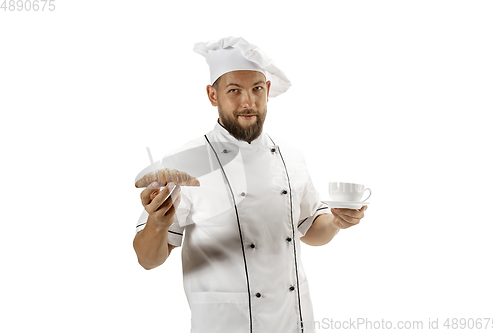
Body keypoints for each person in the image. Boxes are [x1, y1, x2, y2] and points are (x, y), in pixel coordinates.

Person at [133, 36, 367, 333]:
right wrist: (156, 223)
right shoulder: (186, 163)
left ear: (267, 90)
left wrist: (336, 221)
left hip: (292, 321)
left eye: (257, 88)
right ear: (212, 95)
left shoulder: (291, 157)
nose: (248, 102)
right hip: (225, 325)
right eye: (234, 91)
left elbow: (311, 231)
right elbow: (147, 260)